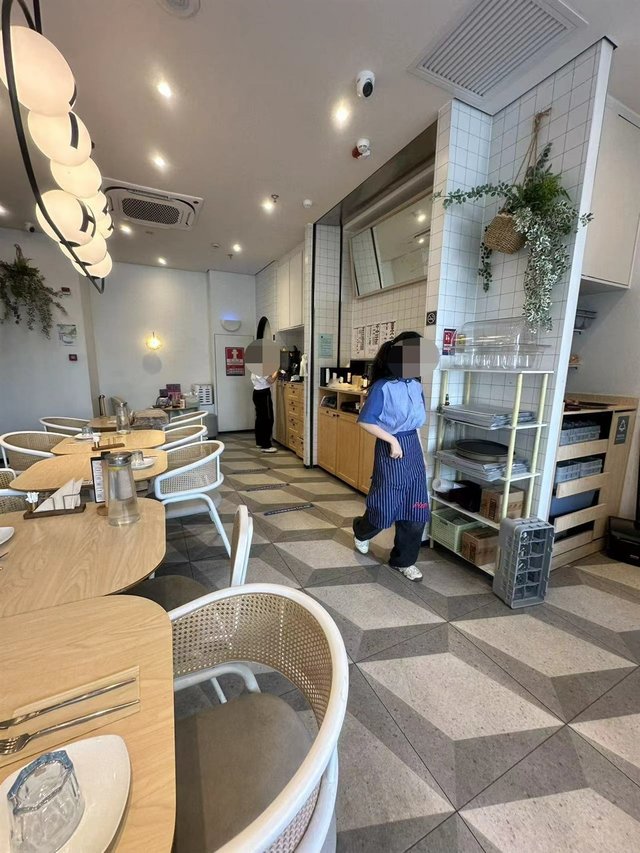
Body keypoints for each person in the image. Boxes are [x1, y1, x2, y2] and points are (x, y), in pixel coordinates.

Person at [352, 331, 429, 581]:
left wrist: (421, 456)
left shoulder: (416, 386)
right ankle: (362, 531)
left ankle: (403, 561)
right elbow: (365, 420)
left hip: (413, 450)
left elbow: (415, 426)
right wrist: (392, 440)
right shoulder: (383, 387)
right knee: (385, 507)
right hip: (391, 450)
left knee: (416, 511)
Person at [251, 368, 279, 452]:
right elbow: (271, 380)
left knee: (260, 418)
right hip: (264, 394)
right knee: (268, 419)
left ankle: (260, 442)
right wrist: (277, 371)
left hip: (256, 393)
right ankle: (266, 446)